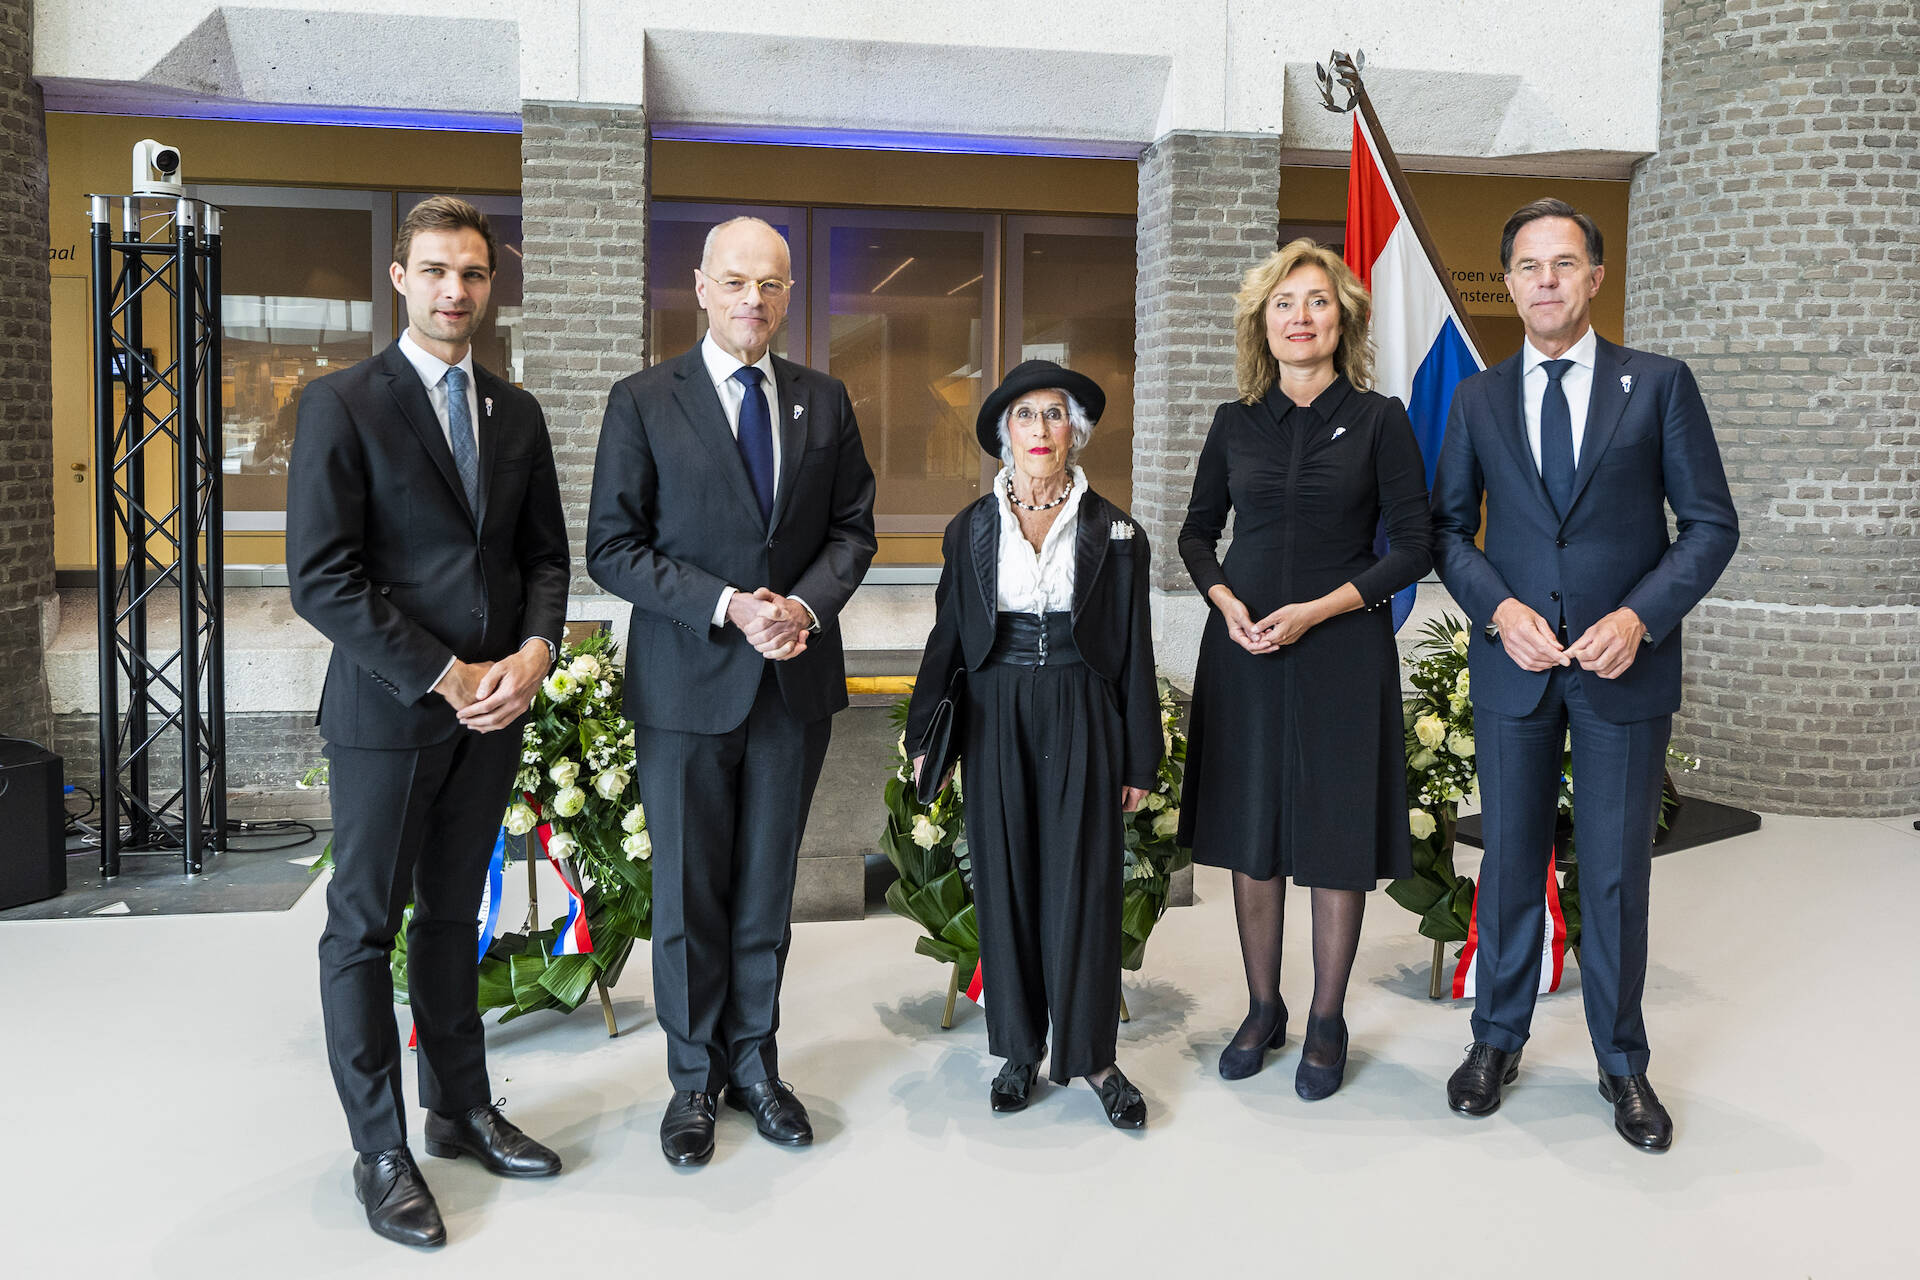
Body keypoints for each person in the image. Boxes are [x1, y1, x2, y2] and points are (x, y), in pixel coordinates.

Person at [288, 196, 570, 1248]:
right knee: (363, 930)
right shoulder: (344, 404)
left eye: (475, 274)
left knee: (455, 913)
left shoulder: (517, 411)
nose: (458, 290)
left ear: (492, 287)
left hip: (496, 708)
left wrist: (535, 656)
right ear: (401, 278)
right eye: (438, 270)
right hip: (389, 712)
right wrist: (447, 674)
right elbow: (323, 577)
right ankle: (380, 1145)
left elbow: (545, 556)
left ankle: (457, 1108)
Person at [1431, 198, 1737, 1151]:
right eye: (1529, 266)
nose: (1548, 280)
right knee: (1512, 861)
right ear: (1511, 281)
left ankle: (1622, 1063)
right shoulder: (1479, 397)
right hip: (1515, 667)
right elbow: (1446, 529)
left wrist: (1641, 618)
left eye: (1566, 263)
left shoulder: (1658, 385)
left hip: (1621, 672)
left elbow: (1712, 526)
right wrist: (1497, 608)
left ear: (1596, 278)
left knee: (1611, 876)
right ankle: (1497, 1039)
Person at [586, 217, 877, 1167]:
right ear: (701, 287)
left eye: (774, 284)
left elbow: (853, 532)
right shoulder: (641, 401)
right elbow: (613, 549)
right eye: (738, 281)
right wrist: (724, 606)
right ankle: (691, 1082)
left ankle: (755, 1063)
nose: (756, 299)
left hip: (792, 690)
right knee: (686, 897)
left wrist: (801, 603)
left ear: (789, 297)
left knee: (764, 892)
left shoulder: (824, 401)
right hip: (684, 688)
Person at [1177, 239, 1433, 1100]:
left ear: (1343, 318)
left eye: (1317, 301)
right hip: (1244, 651)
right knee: (1255, 835)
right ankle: (1263, 1007)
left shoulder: (1380, 420)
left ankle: (1327, 1018)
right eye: (1284, 303)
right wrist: (1224, 599)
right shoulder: (1234, 422)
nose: (1300, 317)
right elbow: (1194, 533)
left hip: (1341, 653)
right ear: (1263, 321)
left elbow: (1417, 546)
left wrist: (1322, 609)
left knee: (1333, 835)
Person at [905, 359, 1162, 1129]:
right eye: (1025, 416)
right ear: (1003, 434)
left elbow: (1138, 649)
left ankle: (1092, 1056)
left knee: (1084, 884)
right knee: (1007, 877)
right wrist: (927, 737)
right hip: (993, 706)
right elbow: (947, 635)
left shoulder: (1118, 530)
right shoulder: (969, 528)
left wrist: (1139, 753)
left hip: (1084, 704)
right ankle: (1019, 1047)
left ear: (1075, 432)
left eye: (1055, 415)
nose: (1041, 429)